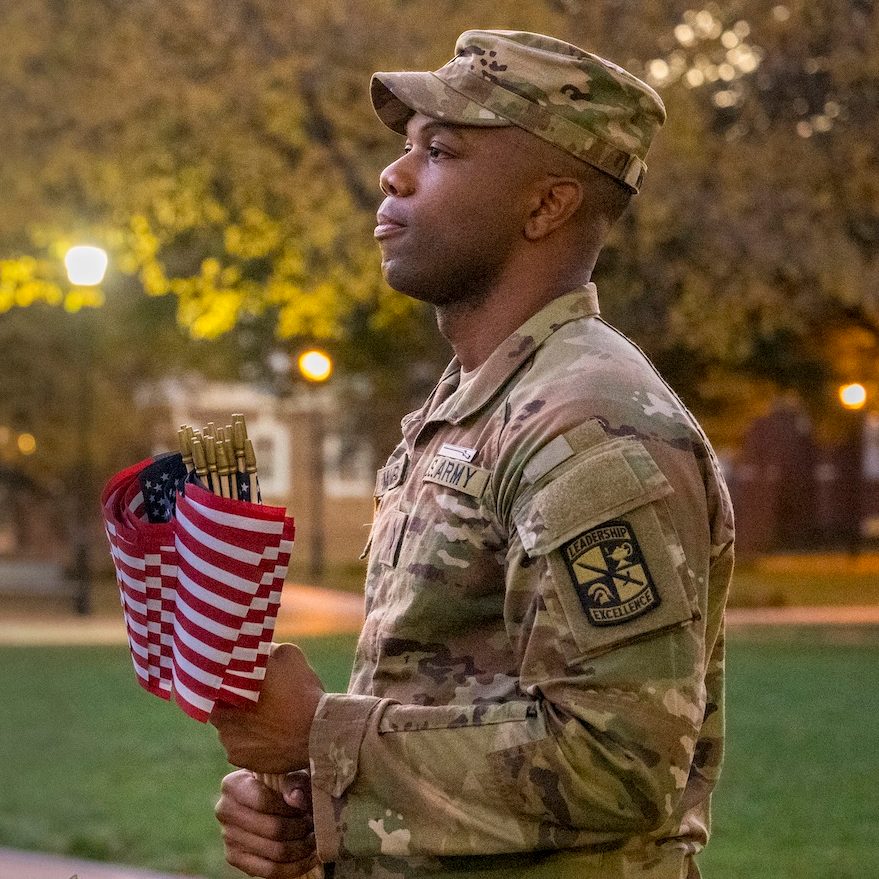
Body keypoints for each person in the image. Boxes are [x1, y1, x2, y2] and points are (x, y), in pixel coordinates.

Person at [212, 29, 734, 879]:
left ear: (545, 206)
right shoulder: (469, 406)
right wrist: (316, 798)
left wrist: (324, 737)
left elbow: (622, 764)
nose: (395, 173)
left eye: (441, 150)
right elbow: (443, 698)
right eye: (405, 146)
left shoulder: (587, 423)